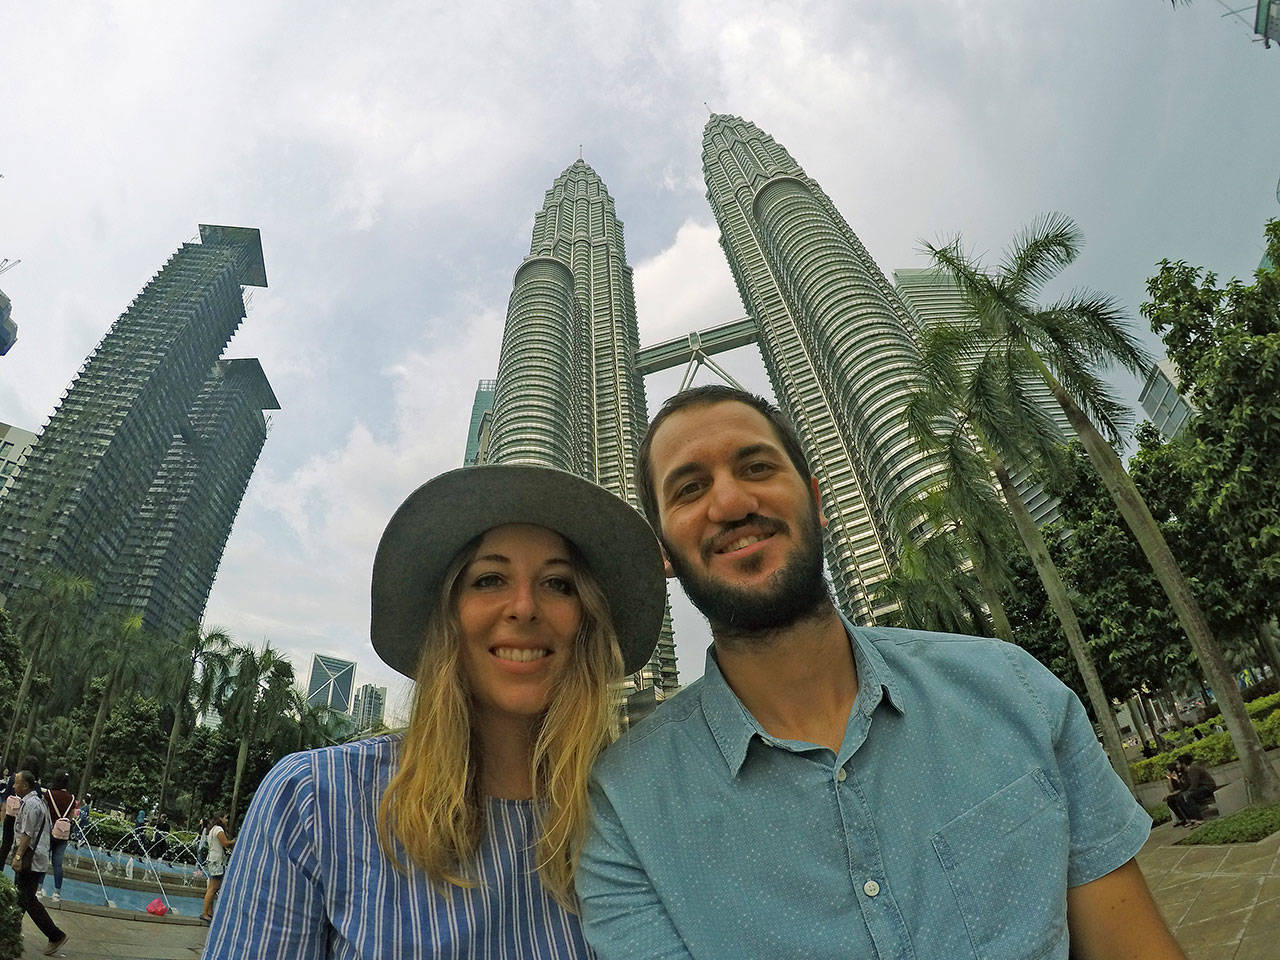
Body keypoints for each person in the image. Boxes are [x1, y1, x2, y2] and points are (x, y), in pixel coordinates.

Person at [577, 385, 1187, 960]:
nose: (732, 504)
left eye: (757, 467)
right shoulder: (627, 810)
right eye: (688, 489)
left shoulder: (1010, 691)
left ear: (816, 501)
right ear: (662, 551)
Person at [203, 464, 666, 958]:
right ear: (447, 619)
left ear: (586, 625)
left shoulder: (630, 817)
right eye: (490, 579)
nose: (525, 607)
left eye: (559, 584)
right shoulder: (316, 803)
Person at [10, 770, 67, 955]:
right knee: (21, 898)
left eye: (16, 783)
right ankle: (10, 936)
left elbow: (27, 834)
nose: (13, 786)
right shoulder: (37, 802)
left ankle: (55, 934)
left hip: (30, 859)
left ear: (25, 786)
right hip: (36, 858)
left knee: (27, 899)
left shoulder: (32, 804)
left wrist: (18, 856)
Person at [41, 769, 75, 901]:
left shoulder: (48, 794)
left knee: (43, 860)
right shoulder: (72, 798)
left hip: (49, 830)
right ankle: (57, 893)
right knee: (58, 864)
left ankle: (38, 889)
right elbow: (71, 817)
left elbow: (43, 812)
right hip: (63, 834)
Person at [200, 814, 233, 922]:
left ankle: (209, 911)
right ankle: (204, 913)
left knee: (212, 888)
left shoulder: (212, 829)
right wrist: (235, 841)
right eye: (225, 818)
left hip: (212, 860)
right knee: (212, 889)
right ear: (220, 818)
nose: (227, 820)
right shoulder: (219, 829)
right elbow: (226, 844)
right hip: (217, 861)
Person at [1175, 755, 1218, 821]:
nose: (1176, 766)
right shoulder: (1185, 772)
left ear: (1183, 763)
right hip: (1200, 788)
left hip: (1207, 787)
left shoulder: (1193, 769)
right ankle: (1190, 819)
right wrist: (1179, 780)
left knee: (1189, 796)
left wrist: (1186, 793)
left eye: (1178, 764)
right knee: (1179, 797)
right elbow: (1186, 787)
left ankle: (1199, 819)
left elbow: (1194, 785)